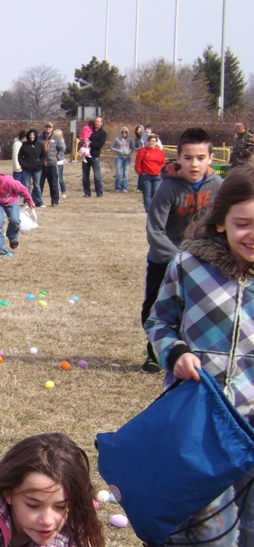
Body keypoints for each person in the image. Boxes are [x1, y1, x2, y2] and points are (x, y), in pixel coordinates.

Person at [144, 165, 254, 547]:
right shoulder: (190, 265)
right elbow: (159, 321)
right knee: (212, 533)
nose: (252, 234)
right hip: (202, 417)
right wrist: (174, 353)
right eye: (243, 223)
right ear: (221, 220)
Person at [141, 128, 221, 374]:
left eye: (200, 158)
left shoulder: (218, 186)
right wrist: (177, 258)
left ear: (210, 158)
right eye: (188, 158)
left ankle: (193, 354)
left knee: (197, 308)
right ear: (178, 158)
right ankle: (155, 353)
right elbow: (155, 229)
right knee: (155, 308)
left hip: (203, 258)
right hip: (164, 259)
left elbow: (222, 224)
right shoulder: (167, 188)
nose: (194, 164)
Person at [135, 133, 166, 212]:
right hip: (146, 176)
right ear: (147, 142)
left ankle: (154, 209)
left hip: (157, 176)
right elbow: (138, 163)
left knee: (156, 193)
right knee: (147, 194)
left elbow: (163, 163)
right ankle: (148, 210)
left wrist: (160, 171)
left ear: (156, 143)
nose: (151, 143)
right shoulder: (143, 150)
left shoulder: (159, 152)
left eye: (153, 141)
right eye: (150, 141)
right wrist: (140, 171)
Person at [39, 122, 65, 206]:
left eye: (49, 127)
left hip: (52, 164)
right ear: (45, 128)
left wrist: (58, 157)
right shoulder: (39, 138)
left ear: (52, 128)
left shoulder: (56, 138)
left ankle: (55, 201)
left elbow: (61, 149)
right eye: (47, 127)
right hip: (42, 165)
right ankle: (37, 200)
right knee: (39, 184)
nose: (48, 128)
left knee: (53, 184)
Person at [18, 128, 45, 208]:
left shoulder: (40, 145)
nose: (32, 136)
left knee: (37, 185)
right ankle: (26, 201)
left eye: (33, 135)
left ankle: (39, 201)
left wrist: (39, 164)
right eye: (30, 135)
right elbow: (20, 157)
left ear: (36, 135)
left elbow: (43, 156)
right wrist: (24, 165)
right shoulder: (24, 145)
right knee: (27, 185)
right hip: (26, 169)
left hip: (37, 169)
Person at [82, 117, 107, 198]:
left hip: (95, 156)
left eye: (98, 121)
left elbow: (100, 144)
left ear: (101, 123)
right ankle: (87, 193)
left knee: (97, 175)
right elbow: (84, 138)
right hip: (86, 155)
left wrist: (90, 144)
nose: (96, 123)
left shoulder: (103, 133)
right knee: (85, 176)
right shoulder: (89, 130)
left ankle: (99, 193)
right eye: (95, 121)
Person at [110, 126, 133, 193]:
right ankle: (118, 187)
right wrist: (118, 150)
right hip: (119, 158)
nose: (124, 133)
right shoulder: (117, 139)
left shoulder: (130, 140)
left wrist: (129, 152)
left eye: (126, 132)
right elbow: (111, 147)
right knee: (118, 173)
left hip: (127, 158)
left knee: (125, 173)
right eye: (123, 132)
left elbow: (132, 148)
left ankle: (124, 187)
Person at [53, 128, 67, 199]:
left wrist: (57, 157)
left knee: (59, 177)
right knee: (54, 178)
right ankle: (56, 192)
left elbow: (61, 151)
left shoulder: (61, 142)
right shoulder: (53, 141)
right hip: (53, 162)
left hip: (59, 162)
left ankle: (63, 192)